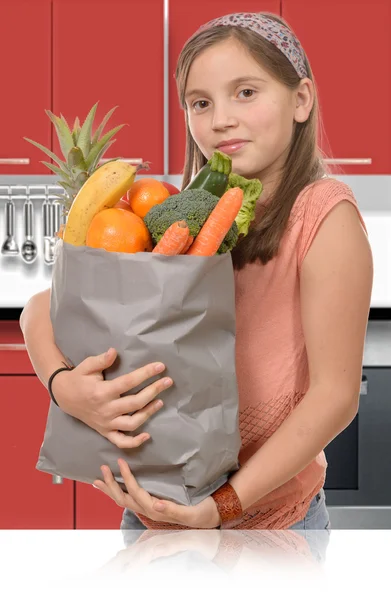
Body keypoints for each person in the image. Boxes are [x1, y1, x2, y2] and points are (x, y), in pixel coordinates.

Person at [20, 12, 373, 531]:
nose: (221, 119)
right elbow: (38, 310)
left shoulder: (324, 217)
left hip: (269, 526)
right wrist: (63, 386)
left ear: (301, 100)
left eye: (246, 93)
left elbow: (335, 398)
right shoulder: (178, 212)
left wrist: (221, 507)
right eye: (201, 103)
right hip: (153, 515)